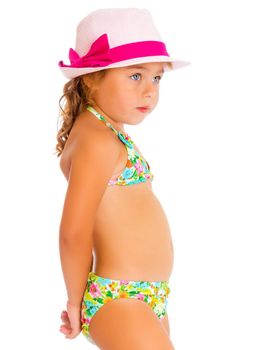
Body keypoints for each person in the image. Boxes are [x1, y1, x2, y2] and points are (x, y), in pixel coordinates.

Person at [55, 8, 191, 349]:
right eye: (135, 76)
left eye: (157, 78)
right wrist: (75, 302)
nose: (149, 90)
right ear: (91, 77)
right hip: (120, 298)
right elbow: (74, 231)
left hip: (148, 298)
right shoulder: (96, 139)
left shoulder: (108, 132)